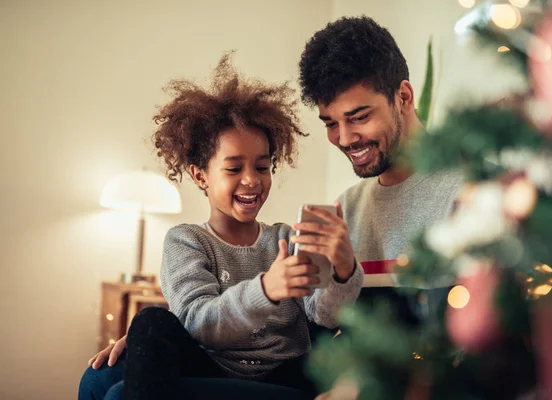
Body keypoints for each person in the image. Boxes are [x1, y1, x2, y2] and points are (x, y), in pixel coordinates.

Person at [79, 53, 363, 400]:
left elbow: (328, 317)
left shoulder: (288, 238)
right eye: (233, 169)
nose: (251, 181)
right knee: (150, 321)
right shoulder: (186, 241)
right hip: (211, 369)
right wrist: (267, 289)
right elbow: (200, 324)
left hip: (287, 376)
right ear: (201, 175)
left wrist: (345, 272)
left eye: (262, 167)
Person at [298, 16, 462, 322]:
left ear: (404, 98)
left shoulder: (471, 193)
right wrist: (342, 275)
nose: (344, 139)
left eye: (359, 117)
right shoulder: (345, 210)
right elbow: (324, 322)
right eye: (331, 124)